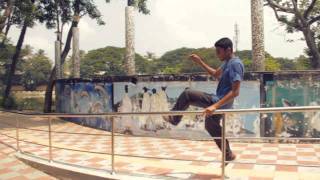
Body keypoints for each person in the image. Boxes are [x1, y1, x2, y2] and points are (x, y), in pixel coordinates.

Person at [164, 37, 244, 166]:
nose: (217, 54)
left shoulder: (235, 64)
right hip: (219, 102)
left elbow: (235, 92)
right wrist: (200, 62)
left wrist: (214, 106)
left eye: (219, 51)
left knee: (187, 94)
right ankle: (228, 154)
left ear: (228, 50)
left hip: (219, 102)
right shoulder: (226, 63)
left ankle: (174, 118)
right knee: (210, 125)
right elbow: (216, 74)